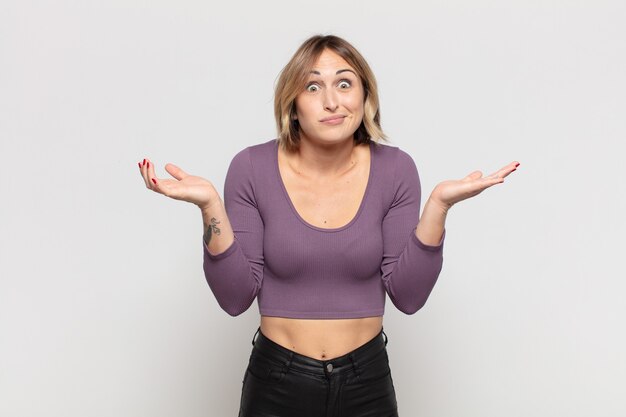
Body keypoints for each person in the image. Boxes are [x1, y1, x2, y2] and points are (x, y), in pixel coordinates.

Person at [138, 34, 519, 417]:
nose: (331, 101)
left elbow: (408, 296)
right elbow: (235, 298)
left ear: (364, 96)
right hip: (276, 383)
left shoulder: (396, 169)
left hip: (366, 380)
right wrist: (210, 207)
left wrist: (439, 206)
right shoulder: (251, 168)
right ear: (292, 104)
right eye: (313, 85)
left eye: (344, 83)